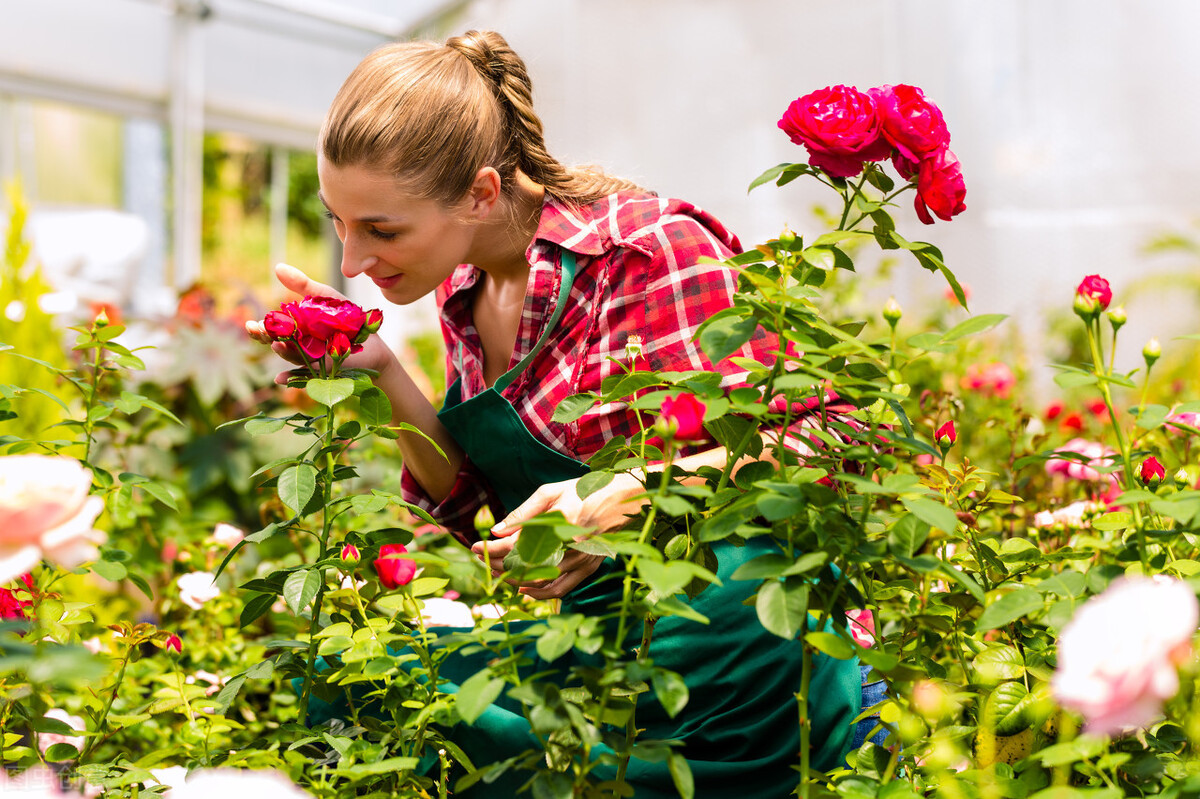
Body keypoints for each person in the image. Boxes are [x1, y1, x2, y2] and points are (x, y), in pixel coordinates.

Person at [247, 29, 862, 797]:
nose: (351, 261)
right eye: (338, 221)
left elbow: (821, 442)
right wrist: (379, 368)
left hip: (721, 627)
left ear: (478, 193)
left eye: (381, 229)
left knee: (468, 737)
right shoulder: (463, 285)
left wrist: (620, 495)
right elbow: (472, 506)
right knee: (341, 682)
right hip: (587, 630)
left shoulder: (647, 250)